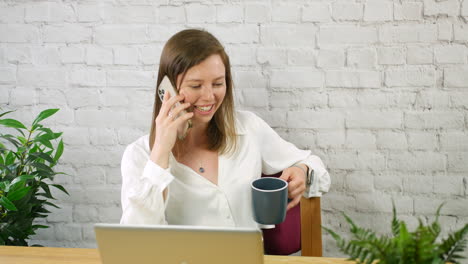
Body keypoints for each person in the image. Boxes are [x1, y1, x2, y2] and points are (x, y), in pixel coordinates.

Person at [120, 29, 330, 227]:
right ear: (167, 89)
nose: (209, 96)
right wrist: (161, 152)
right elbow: (133, 237)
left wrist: (302, 171)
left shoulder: (248, 128)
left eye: (218, 83)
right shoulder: (139, 154)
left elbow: (315, 165)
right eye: (196, 86)